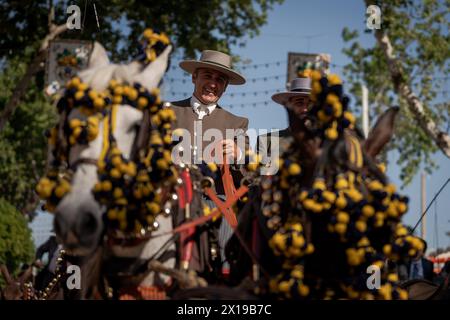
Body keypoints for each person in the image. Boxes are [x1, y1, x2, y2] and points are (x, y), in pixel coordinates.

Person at [169, 50, 249, 281]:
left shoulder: (237, 123)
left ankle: (224, 283)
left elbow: (244, 176)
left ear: (225, 87)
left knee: (229, 227)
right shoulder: (167, 112)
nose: (213, 84)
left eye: (220, 80)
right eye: (207, 76)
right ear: (194, 77)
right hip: (172, 196)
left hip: (215, 200)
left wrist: (238, 155)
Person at [257, 77, 311, 170]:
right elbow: (260, 179)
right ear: (289, 106)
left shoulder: (329, 141)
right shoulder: (267, 141)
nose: (305, 109)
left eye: (310, 104)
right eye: (299, 103)